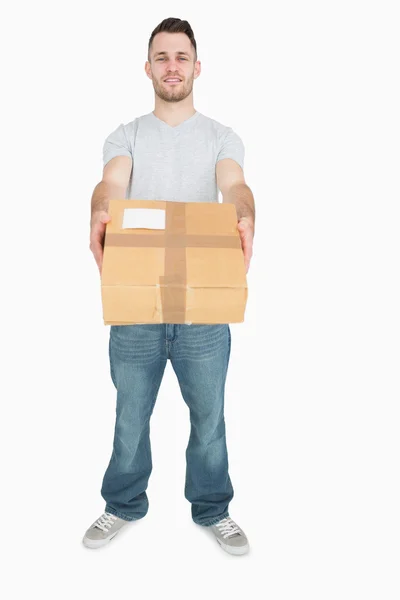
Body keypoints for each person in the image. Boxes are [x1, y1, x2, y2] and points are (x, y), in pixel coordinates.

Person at [83, 17, 255, 555]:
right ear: (148, 67)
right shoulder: (127, 134)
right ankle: (122, 503)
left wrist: (246, 214)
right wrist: (99, 211)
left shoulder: (222, 137)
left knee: (210, 419)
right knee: (130, 416)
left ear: (197, 67)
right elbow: (112, 182)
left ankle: (212, 508)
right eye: (162, 57)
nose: (172, 66)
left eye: (181, 57)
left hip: (203, 308)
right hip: (137, 306)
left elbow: (235, 183)